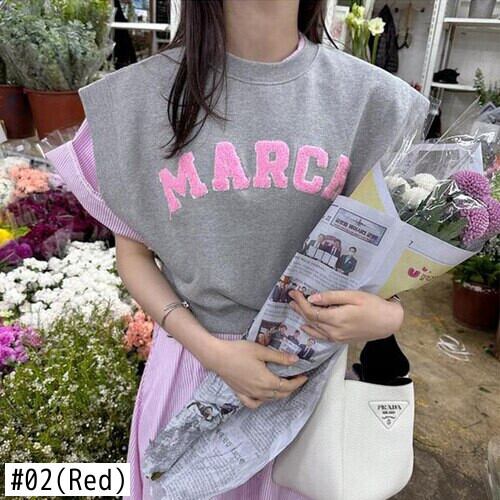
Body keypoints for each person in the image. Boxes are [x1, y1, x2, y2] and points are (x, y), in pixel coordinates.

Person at [46, 0, 428, 497]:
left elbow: (385, 259)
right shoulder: (137, 100)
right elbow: (134, 253)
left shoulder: (372, 101)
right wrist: (211, 351)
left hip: (309, 393)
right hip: (192, 375)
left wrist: (388, 316)